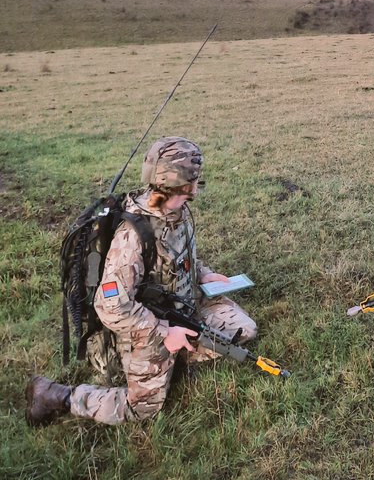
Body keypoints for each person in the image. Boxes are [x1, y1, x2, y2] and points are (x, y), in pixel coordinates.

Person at [26, 136, 257, 426]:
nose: (198, 186)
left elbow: (178, 256)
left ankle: (177, 355)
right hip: (144, 326)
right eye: (194, 178)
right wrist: (164, 331)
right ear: (181, 182)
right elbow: (110, 306)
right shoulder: (133, 236)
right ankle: (57, 395)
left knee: (241, 330)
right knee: (144, 409)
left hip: (181, 308)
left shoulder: (177, 211)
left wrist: (203, 274)